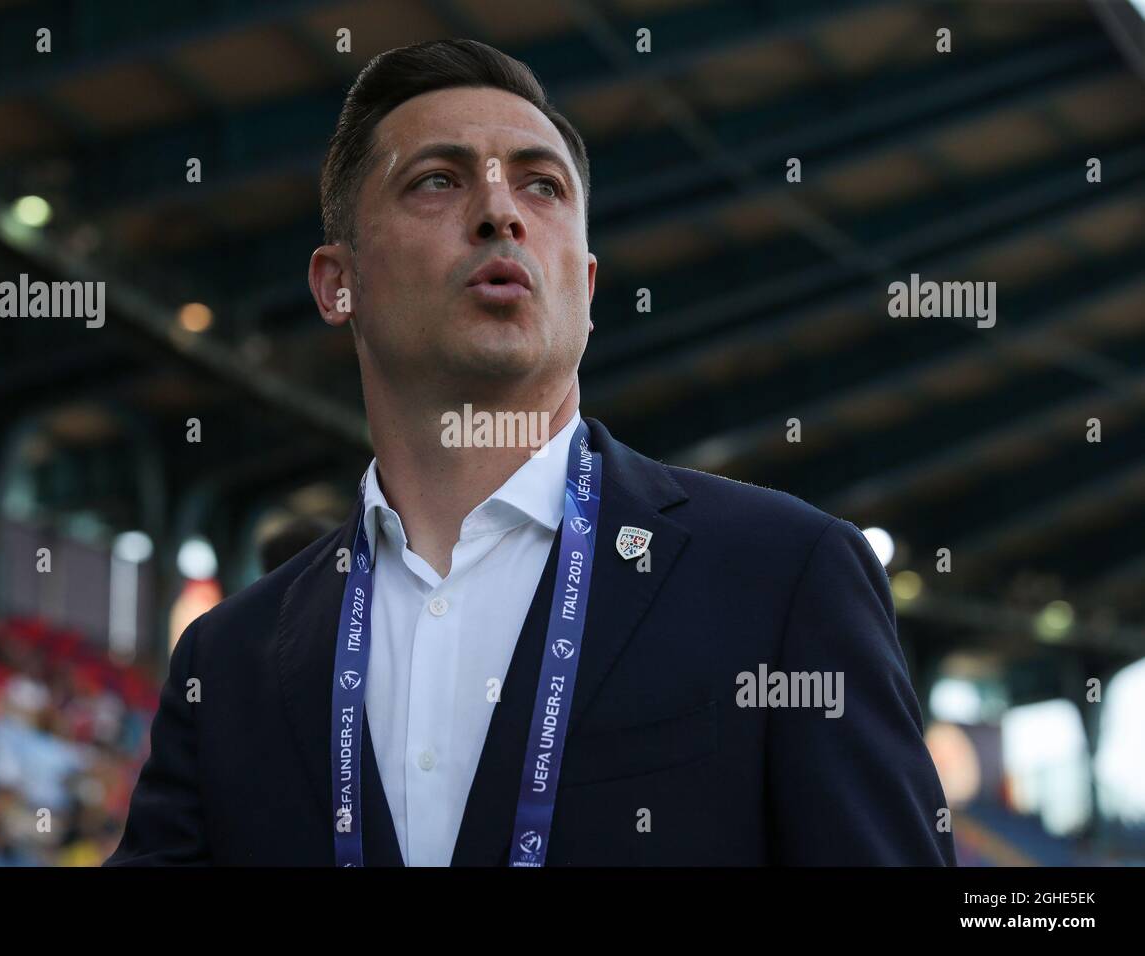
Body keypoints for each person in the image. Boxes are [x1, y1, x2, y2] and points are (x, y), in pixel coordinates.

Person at [107, 38, 955, 867]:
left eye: (541, 185)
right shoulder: (228, 661)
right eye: (437, 180)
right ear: (339, 284)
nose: (500, 210)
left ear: (585, 292)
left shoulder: (783, 577)